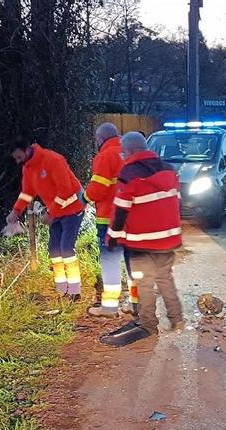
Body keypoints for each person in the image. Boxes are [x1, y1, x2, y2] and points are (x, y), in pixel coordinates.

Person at [100, 132, 184, 346]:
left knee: (144, 283)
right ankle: (176, 319)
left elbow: (120, 210)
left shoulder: (129, 173)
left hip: (142, 241)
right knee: (165, 278)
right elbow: (176, 203)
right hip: (168, 239)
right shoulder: (169, 169)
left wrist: (112, 237)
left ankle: (148, 324)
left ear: (127, 151)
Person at [6, 137, 85, 301]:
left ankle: (74, 291)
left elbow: (66, 190)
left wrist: (51, 213)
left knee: (66, 249)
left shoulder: (53, 160)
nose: (17, 161)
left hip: (72, 208)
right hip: (55, 211)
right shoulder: (28, 168)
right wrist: (16, 211)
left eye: (18, 156)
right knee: (54, 251)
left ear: (27, 149)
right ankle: (62, 289)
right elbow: (27, 192)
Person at [84, 122, 138, 317]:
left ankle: (109, 306)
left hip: (109, 219)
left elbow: (98, 189)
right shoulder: (130, 153)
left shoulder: (105, 156)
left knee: (110, 262)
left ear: (100, 139)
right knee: (133, 262)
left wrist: (84, 199)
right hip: (133, 219)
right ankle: (135, 303)